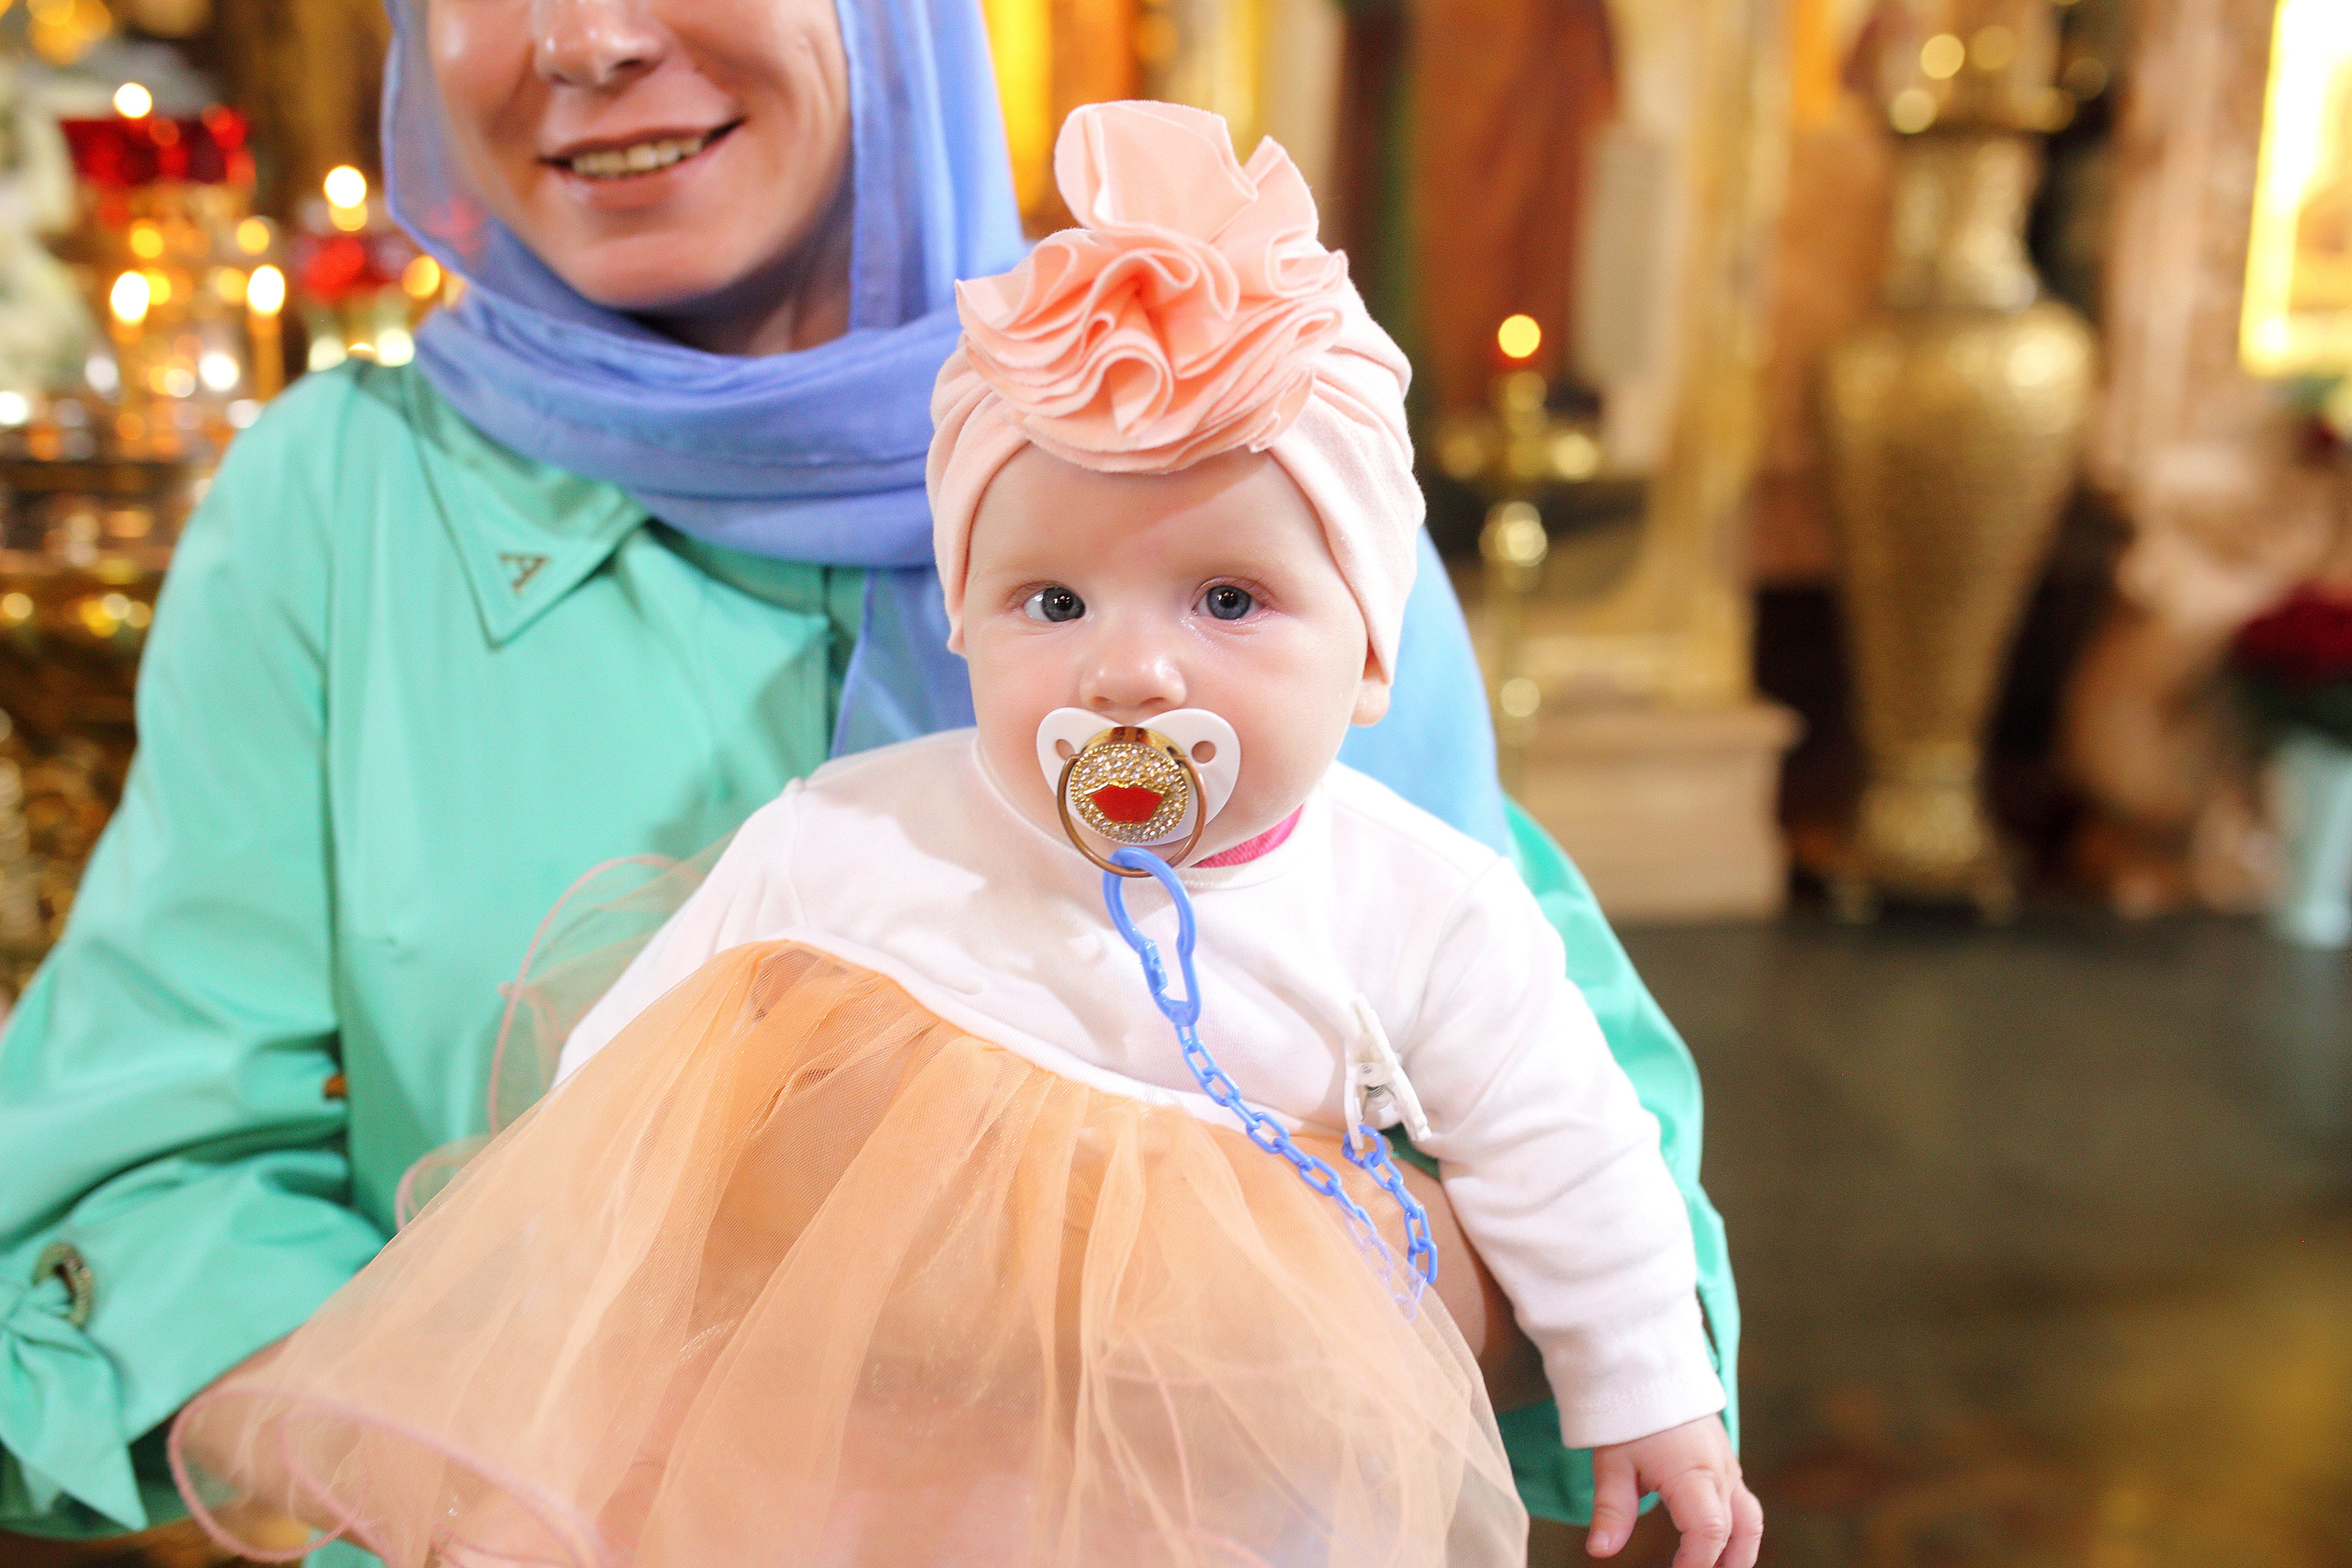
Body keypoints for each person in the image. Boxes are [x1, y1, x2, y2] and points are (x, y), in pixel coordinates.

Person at [0, 0, 1735, 1561]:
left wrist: (1173, 1289)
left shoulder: (1264, 458)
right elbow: (127, 1193)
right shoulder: (341, 501)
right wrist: (486, 1463)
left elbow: (1587, 1154)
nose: (583, 38)